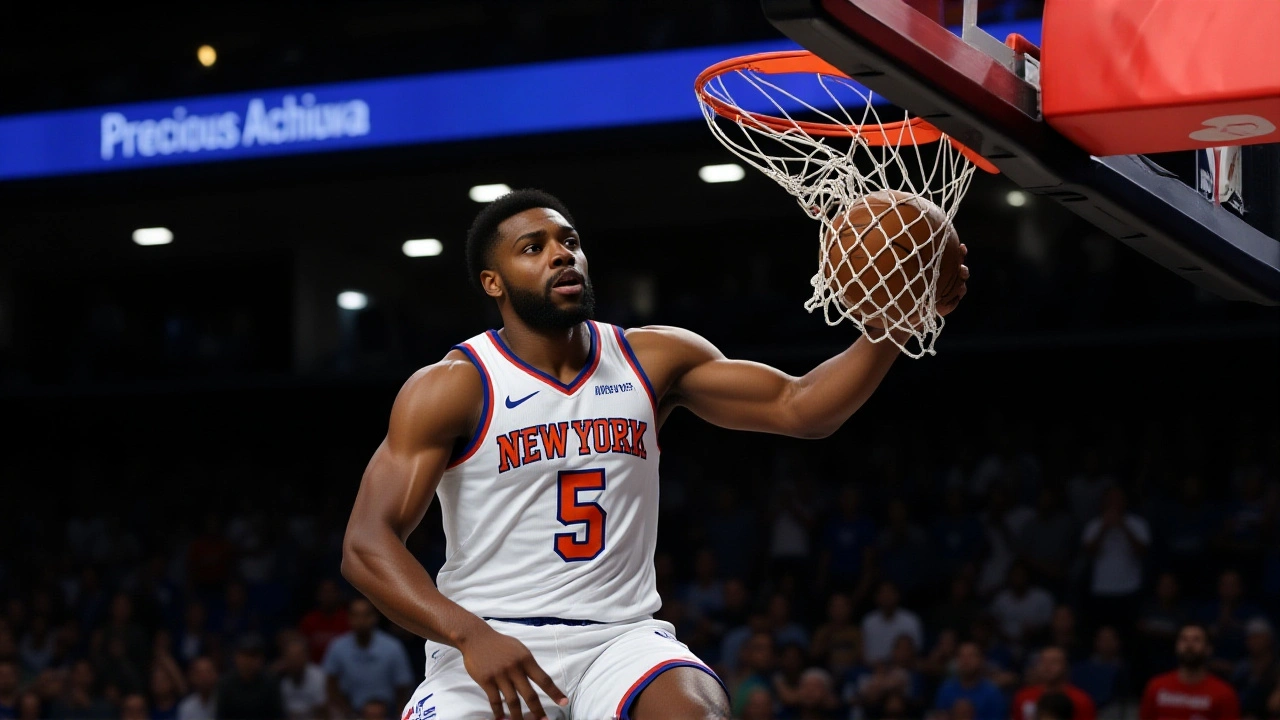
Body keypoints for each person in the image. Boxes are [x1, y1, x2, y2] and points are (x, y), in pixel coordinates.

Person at [339, 189, 968, 720]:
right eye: (533, 248)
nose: (561, 254)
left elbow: (801, 408)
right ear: (492, 282)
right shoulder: (454, 386)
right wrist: (469, 634)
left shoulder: (652, 357)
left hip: (620, 640)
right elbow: (367, 544)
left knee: (697, 711)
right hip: (486, 641)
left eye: (569, 241)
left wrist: (896, 323)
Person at [322, 599, 413, 718]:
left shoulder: (393, 647)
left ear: (375, 617)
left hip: (387, 713)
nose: (361, 620)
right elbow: (330, 685)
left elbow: (403, 686)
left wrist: (398, 714)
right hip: (351, 713)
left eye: (366, 615)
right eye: (356, 615)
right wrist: (347, 712)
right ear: (349, 618)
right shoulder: (337, 647)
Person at [1140, 623, 1240, 720]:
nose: (1189, 645)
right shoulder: (1156, 687)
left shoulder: (1224, 694)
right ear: (1176, 646)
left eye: (1196, 640)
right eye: (1184, 639)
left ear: (1208, 649)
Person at [1011, 647, 1096, 720]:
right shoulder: (1023, 697)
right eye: (1043, 662)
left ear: (1065, 666)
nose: (1047, 666)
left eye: (1054, 662)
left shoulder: (1081, 700)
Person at [932, 642, 1007, 720]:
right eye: (962, 656)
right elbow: (939, 715)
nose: (966, 661)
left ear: (981, 660)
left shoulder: (993, 694)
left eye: (971, 656)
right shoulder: (946, 689)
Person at [216, 635, 283, 720]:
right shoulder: (225, 684)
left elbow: (278, 715)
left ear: (262, 659)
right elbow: (221, 716)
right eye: (245, 655)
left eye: (254, 656)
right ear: (236, 657)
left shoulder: (271, 684)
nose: (249, 661)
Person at [862, 582, 924, 665]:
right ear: (876, 597)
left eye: (890, 592)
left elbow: (917, 650)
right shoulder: (868, 621)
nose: (886, 596)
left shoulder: (911, 620)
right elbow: (863, 652)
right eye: (883, 593)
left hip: (904, 667)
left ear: (897, 595)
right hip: (872, 668)